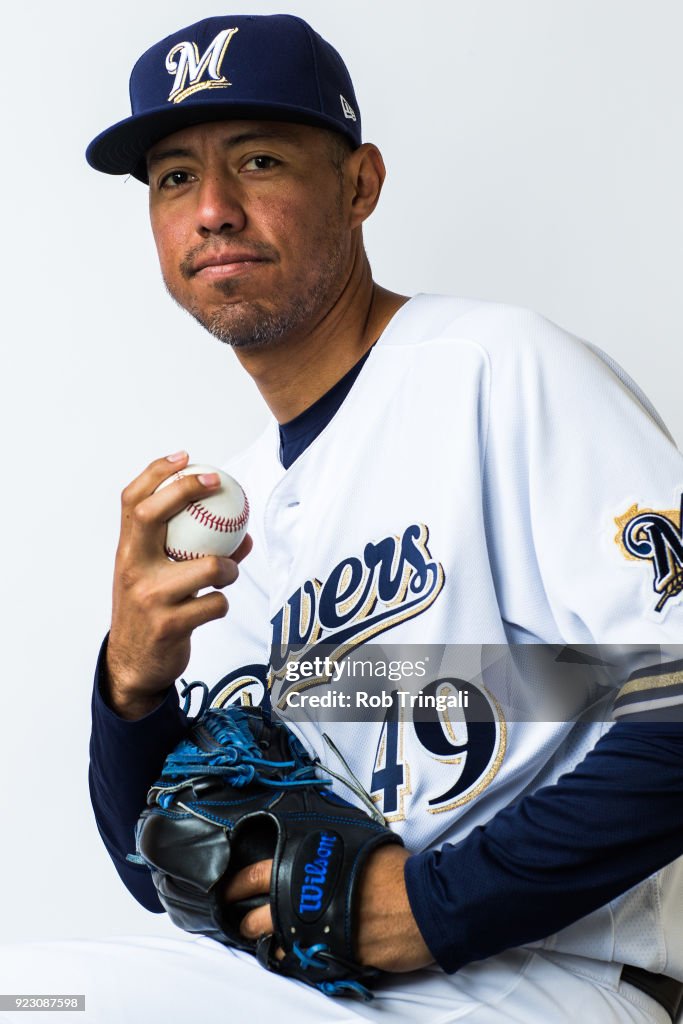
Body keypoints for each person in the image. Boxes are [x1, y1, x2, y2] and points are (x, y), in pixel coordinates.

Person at [3, 13, 683, 1024]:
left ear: (359, 183)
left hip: (549, 977)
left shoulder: (496, 369)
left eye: (259, 160)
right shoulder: (228, 514)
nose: (215, 209)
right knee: (36, 992)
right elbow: (167, 868)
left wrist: (432, 903)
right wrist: (133, 685)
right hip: (337, 995)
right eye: (174, 178)